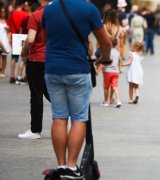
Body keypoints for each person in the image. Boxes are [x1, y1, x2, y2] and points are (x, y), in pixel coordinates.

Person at [42, 0, 112, 178]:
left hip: (53, 69)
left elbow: (44, 39)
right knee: (79, 118)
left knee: (58, 117)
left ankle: (61, 165)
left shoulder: (49, 9)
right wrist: (104, 58)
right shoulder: (88, 9)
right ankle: (72, 167)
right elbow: (106, 41)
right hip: (77, 69)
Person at [17, 0, 50, 139]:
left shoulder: (36, 15)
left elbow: (30, 40)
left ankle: (35, 130)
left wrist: (23, 51)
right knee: (54, 94)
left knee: (36, 95)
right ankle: (76, 121)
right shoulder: (59, 14)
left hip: (36, 59)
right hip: (53, 60)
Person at [6, 0, 29, 84]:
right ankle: (24, 76)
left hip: (15, 38)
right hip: (24, 39)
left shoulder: (12, 14)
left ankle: (12, 76)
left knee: (14, 58)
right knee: (24, 59)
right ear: (22, 5)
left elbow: (8, 26)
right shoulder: (26, 15)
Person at [98, 37, 122, 108]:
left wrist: (98, 69)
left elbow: (104, 62)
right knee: (115, 86)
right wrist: (119, 69)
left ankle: (106, 102)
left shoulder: (107, 52)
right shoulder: (117, 52)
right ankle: (118, 100)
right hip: (115, 72)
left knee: (106, 87)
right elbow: (119, 61)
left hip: (108, 71)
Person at [0, 6, 10, 78]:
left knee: (4, 57)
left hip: (5, 40)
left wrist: (8, 30)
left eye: (4, 12)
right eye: (1, 12)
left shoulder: (8, 20)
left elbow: (10, 32)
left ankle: (2, 72)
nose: (2, 13)